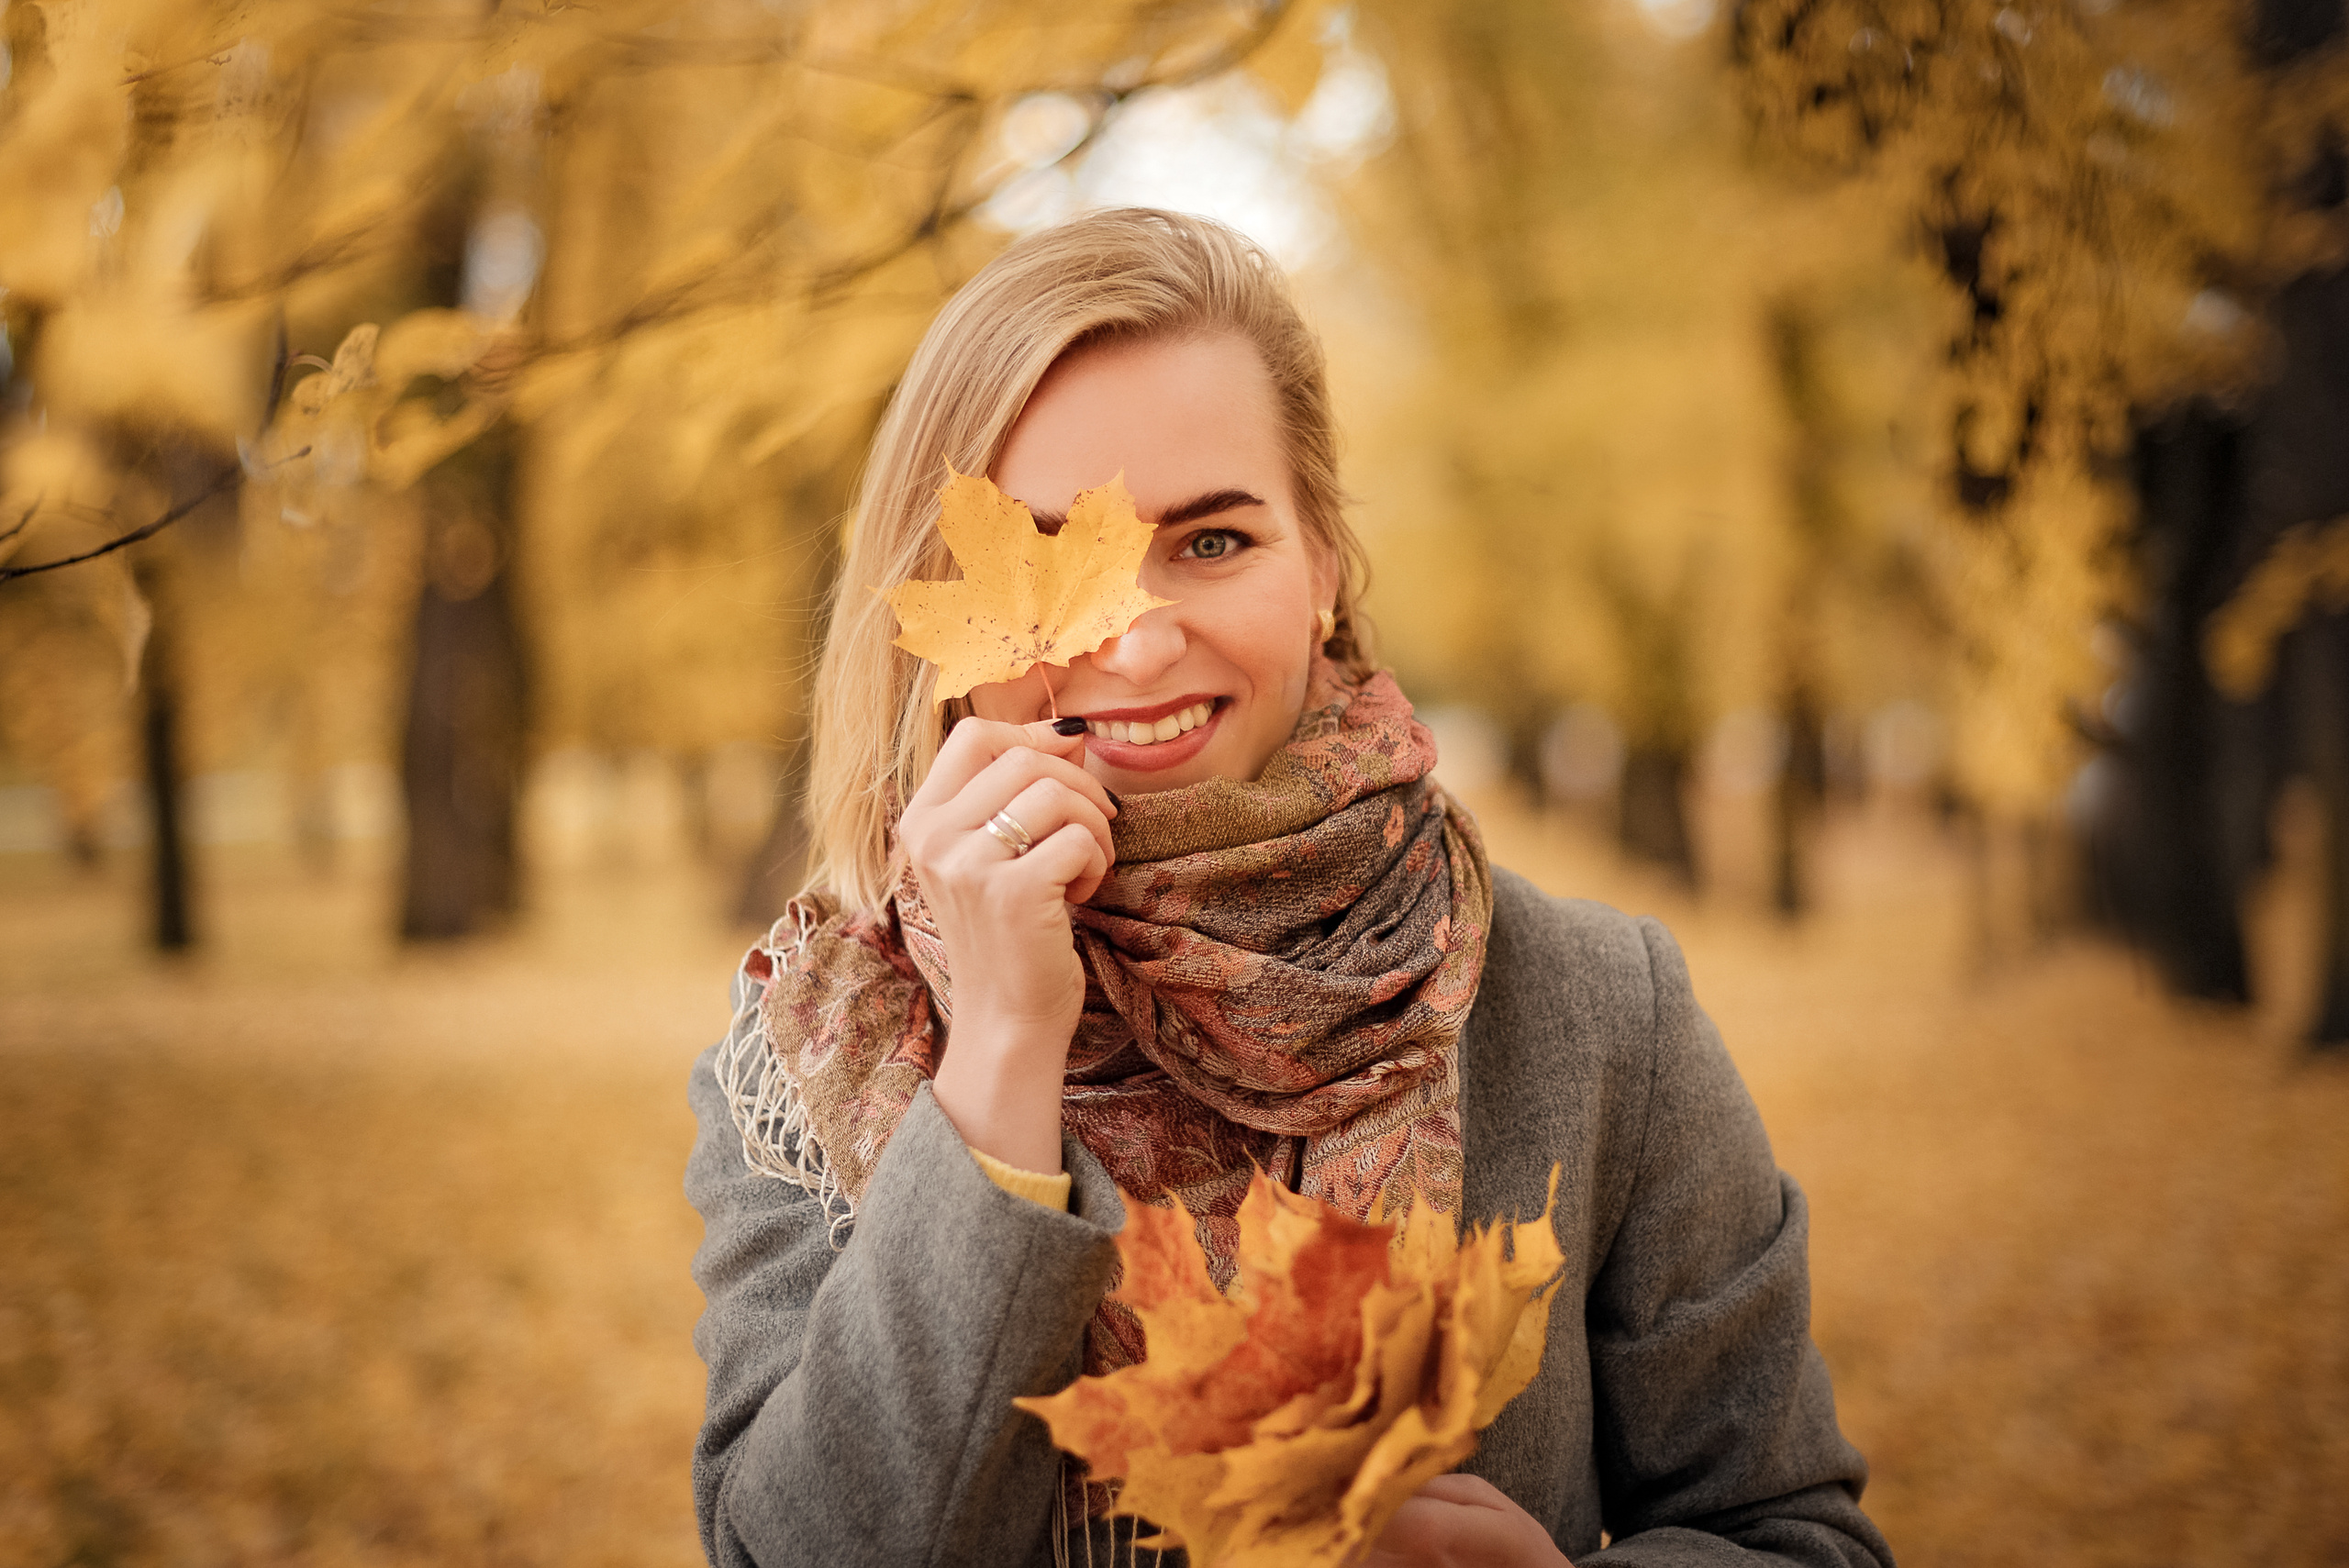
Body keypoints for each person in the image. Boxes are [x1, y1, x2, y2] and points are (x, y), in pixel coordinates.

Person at [685, 207, 1895, 1568]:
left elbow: (1799, 1533)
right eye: (1048, 560)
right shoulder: (817, 1051)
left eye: (1211, 542)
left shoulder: (1602, 1012)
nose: (1136, 643)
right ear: (938, 599)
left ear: (1322, 562)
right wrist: (999, 1059)